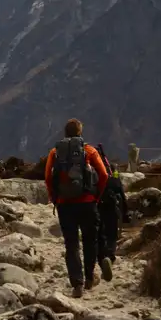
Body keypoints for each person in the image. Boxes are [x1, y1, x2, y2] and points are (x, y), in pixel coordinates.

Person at [44, 118, 109, 298]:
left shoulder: (55, 152)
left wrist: (54, 197)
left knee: (71, 244)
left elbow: (48, 178)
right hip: (88, 203)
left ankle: (77, 283)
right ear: (80, 133)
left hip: (65, 205)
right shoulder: (89, 151)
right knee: (90, 240)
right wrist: (96, 196)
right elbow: (104, 175)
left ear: (65, 134)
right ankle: (89, 277)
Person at [95, 144, 130, 267]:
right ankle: (110, 255)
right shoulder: (113, 172)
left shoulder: (90, 172)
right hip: (112, 207)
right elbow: (120, 191)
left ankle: (101, 256)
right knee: (112, 234)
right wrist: (125, 214)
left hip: (96, 207)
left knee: (99, 233)